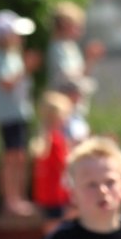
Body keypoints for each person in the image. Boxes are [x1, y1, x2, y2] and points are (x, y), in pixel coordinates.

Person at [0, 9, 37, 217]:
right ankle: (10, 201)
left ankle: (19, 198)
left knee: (20, 157)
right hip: (8, 115)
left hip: (20, 113)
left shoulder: (13, 55)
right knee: (11, 158)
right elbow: (6, 83)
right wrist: (26, 68)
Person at [46, 2, 101, 129]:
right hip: (63, 110)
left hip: (76, 107)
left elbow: (82, 74)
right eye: (77, 26)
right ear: (65, 25)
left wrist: (90, 60)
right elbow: (67, 77)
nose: (80, 30)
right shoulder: (58, 47)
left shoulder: (71, 47)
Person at [30, 92, 72, 225]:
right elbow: (64, 164)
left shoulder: (42, 138)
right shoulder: (55, 140)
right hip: (56, 196)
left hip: (45, 195)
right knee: (55, 230)